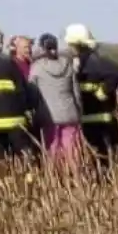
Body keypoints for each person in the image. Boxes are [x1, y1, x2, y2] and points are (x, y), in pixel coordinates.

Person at [64, 23, 118, 172]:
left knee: (103, 154)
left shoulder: (93, 62)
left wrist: (103, 89)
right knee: (102, 154)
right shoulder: (82, 62)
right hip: (94, 118)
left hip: (99, 119)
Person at [0, 22, 39, 165]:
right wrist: (27, 109)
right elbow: (22, 90)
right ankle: (29, 182)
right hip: (14, 121)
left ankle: (4, 182)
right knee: (25, 157)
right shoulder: (8, 62)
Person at [29, 33, 82, 170]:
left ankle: (55, 177)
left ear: (42, 48)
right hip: (70, 113)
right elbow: (76, 92)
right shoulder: (68, 65)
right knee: (71, 147)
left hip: (49, 115)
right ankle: (74, 175)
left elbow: (32, 92)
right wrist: (79, 110)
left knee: (52, 146)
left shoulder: (37, 68)